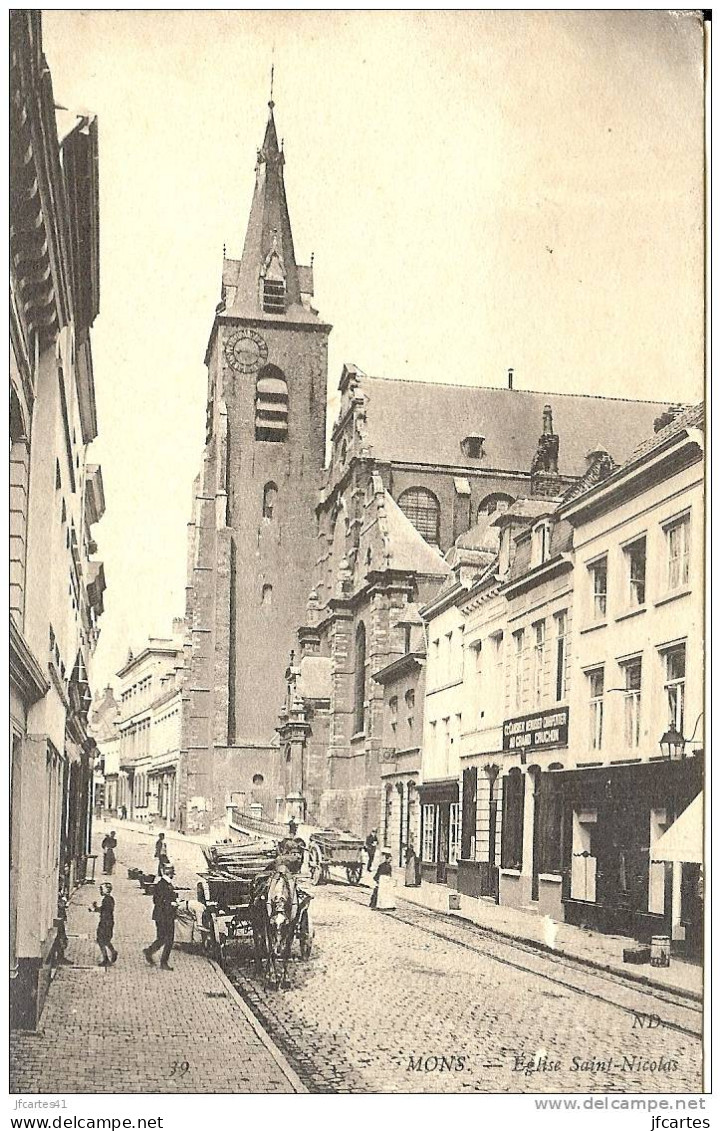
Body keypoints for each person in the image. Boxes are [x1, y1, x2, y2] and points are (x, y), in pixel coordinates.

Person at [143, 865, 178, 970]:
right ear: (169, 874)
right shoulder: (163, 885)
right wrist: (172, 904)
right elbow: (159, 901)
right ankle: (163, 962)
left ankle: (149, 951)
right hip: (165, 916)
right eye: (172, 874)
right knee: (169, 940)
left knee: (162, 938)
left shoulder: (162, 884)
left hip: (161, 916)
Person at [91, 882, 118, 966]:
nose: (100, 891)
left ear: (107, 890)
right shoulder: (109, 899)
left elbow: (105, 911)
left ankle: (106, 959)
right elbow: (104, 909)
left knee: (101, 940)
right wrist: (95, 909)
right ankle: (113, 952)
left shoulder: (107, 900)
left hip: (105, 923)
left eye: (102, 889)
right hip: (108, 922)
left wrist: (96, 909)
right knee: (106, 940)